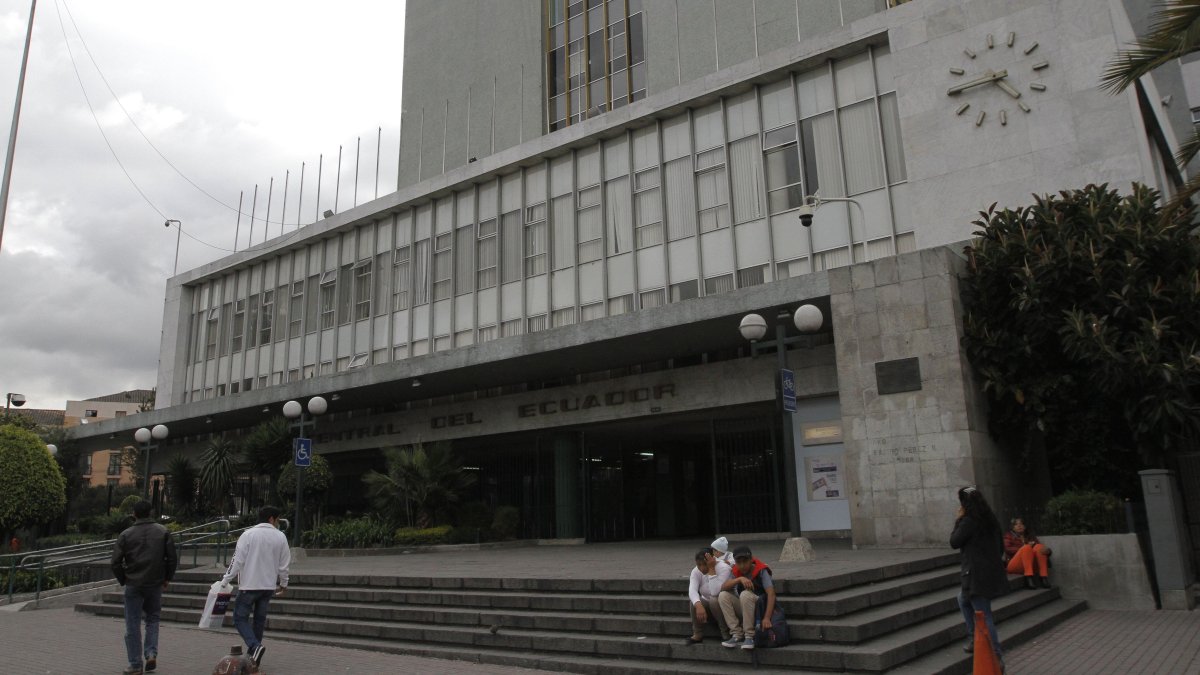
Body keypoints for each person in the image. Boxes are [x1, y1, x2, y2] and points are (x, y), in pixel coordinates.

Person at [111, 499, 178, 675]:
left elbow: (115, 562)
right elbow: (172, 558)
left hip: (134, 583)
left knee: (132, 624)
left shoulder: (126, 534)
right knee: (153, 619)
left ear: (134, 514)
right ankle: (151, 653)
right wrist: (167, 578)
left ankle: (135, 664)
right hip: (155, 583)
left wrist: (124, 578)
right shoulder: (163, 531)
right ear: (151, 512)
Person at [221, 505, 291, 672]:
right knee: (259, 621)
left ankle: (254, 646)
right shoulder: (281, 537)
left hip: (249, 585)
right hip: (268, 587)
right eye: (277, 520)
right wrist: (284, 583)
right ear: (271, 519)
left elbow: (236, 561)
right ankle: (254, 659)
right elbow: (284, 564)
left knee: (239, 618)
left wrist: (225, 580)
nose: (278, 523)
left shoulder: (248, 535)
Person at [950, 485, 1008, 670]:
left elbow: (954, 541)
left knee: (983, 614)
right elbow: (1000, 546)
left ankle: (996, 656)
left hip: (976, 574)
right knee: (962, 599)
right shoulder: (990, 519)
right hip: (990, 571)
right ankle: (973, 637)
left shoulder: (968, 521)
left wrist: (958, 520)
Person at [717, 545, 776, 650]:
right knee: (723, 595)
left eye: (745, 562)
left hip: (760, 608)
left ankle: (749, 635)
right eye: (739, 563)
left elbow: (771, 594)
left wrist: (767, 617)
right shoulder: (736, 571)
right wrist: (739, 579)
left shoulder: (761, 570)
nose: (742, 565)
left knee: (745, 594)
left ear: (751, 559)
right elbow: (723, 587)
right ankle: (737, 634)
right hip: (746, 608)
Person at [686, 547, 731, 644]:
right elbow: (692, 590)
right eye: (699, 565)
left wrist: (711, 569)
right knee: (694, 601)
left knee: (714, 600)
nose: (702, 568)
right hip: (708, 609)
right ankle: (698, 634)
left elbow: (715, 592)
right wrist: (698, 605)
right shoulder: (696, 571)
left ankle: (725, 632)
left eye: (705, 564)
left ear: (712, 560)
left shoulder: (724, 568)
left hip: (724, 608)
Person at [1004, 517, 1051, 589]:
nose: (1019, 526)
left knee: (1039, 546)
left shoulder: (1030, 536)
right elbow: (1007, 549)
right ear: (1013, 527)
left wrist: (1048, 551)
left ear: (1025, 526)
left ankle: (1043, 577)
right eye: (1016, 524)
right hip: (1015, 565)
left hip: (1031, 564)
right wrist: (1024, 548)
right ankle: (1029, 578)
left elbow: (1039, 550)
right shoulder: (1008, 536)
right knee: (1026, 548)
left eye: (1021, 524)